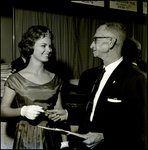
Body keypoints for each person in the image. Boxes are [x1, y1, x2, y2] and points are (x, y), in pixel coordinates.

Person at [49, 22, 147, 150]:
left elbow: (141, 131)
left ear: (111, 42)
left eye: (96, 40)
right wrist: (67, 114)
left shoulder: (135, 79)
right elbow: (94, 112)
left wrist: (103, 136)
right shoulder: (94, 75)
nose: (91, 45)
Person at [1, 25, 68, 149]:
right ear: (30, 46)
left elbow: (60, 114)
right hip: (26, 138)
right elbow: (3, 110)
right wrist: (22, 111)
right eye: (43, 46)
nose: (49, 50)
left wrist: (64, 142)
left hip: (51, 137)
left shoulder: (56, 79)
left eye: (50, 46)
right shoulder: (15, 79)